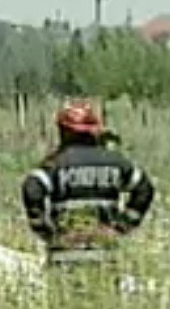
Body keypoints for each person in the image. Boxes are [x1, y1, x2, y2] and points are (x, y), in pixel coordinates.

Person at [20, 100, 155, 267]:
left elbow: (32, 189)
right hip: (105, 256)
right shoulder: (115, 162)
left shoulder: (54, 164)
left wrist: (46, 231)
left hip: (64, 256)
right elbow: (144, 189)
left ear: (63, 130)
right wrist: (123, 225)